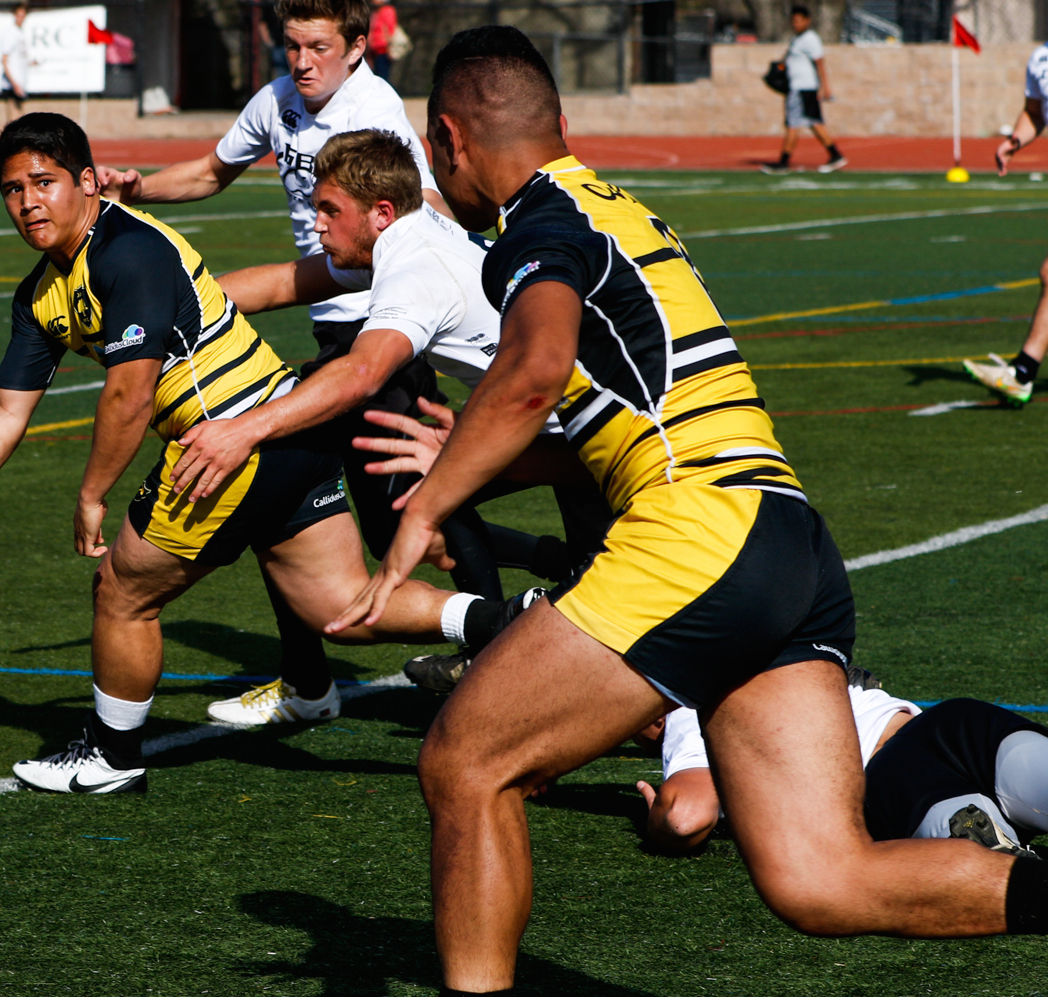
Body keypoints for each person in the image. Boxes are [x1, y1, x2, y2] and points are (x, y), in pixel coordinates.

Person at [326, 26, 1048, 994]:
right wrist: (472, 465)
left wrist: (426, 511)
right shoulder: (621, 212)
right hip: (783, 537)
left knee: (465, 761)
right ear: (561, 125)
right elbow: (619, 415)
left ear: (448, 140)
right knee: (819, 879)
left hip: (696, 533)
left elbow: (533, 371)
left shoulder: (536, 229)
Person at [0, 113, 523, 795]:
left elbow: (130, 394)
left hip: (231, 440)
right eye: (12, 189)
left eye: (45, 181)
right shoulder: (41, 294)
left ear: (89, 182)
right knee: (338, 604)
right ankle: (508, 616)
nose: (29, 201)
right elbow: (7, 408)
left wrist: (93, 493)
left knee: (122, 592)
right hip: (285, 434)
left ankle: (112, 758)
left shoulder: (125, 251)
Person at [95, 0, 465, 727]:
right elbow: (210, 171)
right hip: (334, 328)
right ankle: (309, 682)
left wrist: (404, 281)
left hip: (381, 334)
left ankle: (514, 629)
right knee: (287, 503)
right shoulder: (276, 101)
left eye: (318, 46)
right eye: (291, 45)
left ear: (357, 46)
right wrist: (139, 188)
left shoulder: (376, 111)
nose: (301, 61)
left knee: (404, 521)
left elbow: (427, 209)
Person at [177, 127, 608, 708]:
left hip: (593, 440)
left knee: (627, 634)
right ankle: (498, 645)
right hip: (569, 425)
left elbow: (361, 374)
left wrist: (245, 427)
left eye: (329, 210)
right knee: (436, 496)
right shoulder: (407, 230)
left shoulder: (413, 269)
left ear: (379, 211)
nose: (318, 225)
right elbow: (286, 281)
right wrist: (175, 306)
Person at [639, 679, 1048, 863]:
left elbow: (684, 819)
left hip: (892, 778)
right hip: (956, 727)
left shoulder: (688, 708)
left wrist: (658, 820)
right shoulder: (773, 663)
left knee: (1000, 868)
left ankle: (985, 839)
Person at [964, 42, 1048, 405]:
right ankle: (1023, 373)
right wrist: (1014, 141)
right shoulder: (1041, 58)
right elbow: (1035, 111)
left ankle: (1023, 372)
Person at [761, 5, 845, 175]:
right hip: (798, 88)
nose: (796, 24)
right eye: (794, 21)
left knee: (793, 124)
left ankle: (783, 163)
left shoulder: (810, 38)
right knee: (814, 123)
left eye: (799, 21)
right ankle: (835, 155)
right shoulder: (797, 40)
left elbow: (820, 62)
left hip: (803, 88)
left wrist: (825, 87)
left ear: (808, 21)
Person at [0, 2, 37, 123]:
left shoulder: (21, 33)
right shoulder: (11, 33)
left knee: (20, 116)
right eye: (19, 15)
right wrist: (14, 83)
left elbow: (20, 58)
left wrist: (31, 63)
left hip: (20, 82)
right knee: (14, 117)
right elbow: (4, 60)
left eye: (23, 15)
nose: (21, 18)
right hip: (12, 83)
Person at [367, 0, 398, 83]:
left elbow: (390, 30)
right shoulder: (375, 12)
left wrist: (389, 46)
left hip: (383, 49)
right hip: (374, 49)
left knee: (382, 76)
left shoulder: (387, 10)